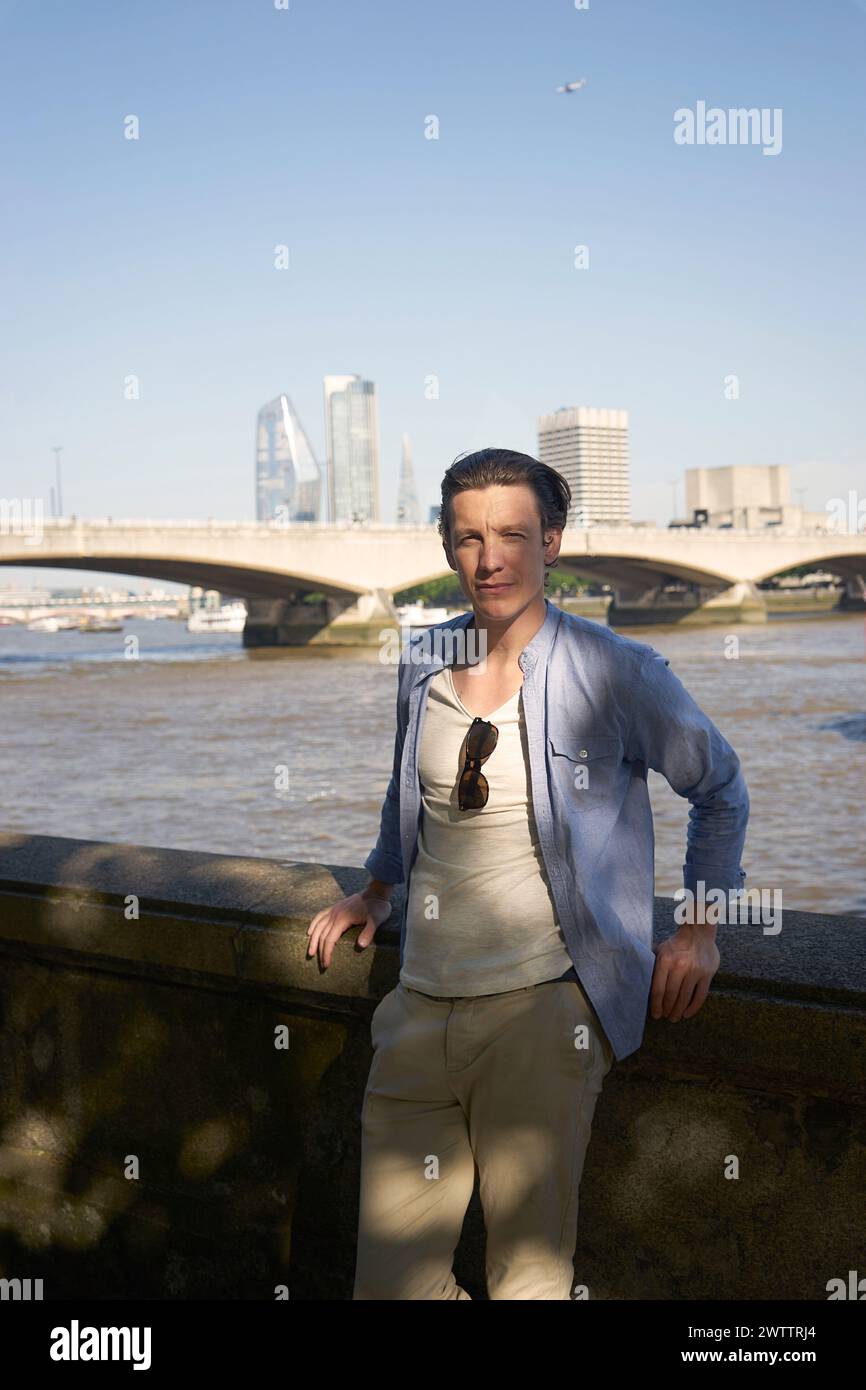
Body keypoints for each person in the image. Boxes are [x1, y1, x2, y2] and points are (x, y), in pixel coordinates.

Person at [307, 447, 750, 1300]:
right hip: (418, 1014)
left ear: (552, 542)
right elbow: (412, 792)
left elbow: (719, 787)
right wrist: (376, 888)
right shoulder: (426, 658)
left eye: (513, 533)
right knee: (389, 1287)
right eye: (469, 537)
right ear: (446, 550)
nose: (491, 557)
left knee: (530, 1282)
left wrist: (698, 931)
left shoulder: (618, 671)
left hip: (543, 1016)